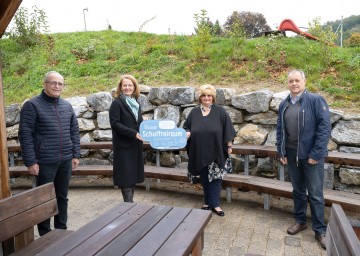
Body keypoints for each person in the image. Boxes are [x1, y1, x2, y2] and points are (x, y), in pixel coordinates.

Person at [18, 71, 81, 236]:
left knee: (62, 196)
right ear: (45, 84)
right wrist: (31, 162)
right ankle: (45, 234)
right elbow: (25, 135)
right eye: (53, 83)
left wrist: (75, 155)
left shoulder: (66, 106)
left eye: (60, 83)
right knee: (44, 198)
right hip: (44, 161)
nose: (57, 86)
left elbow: (74, 131)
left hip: (66, 159)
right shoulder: (32, 105)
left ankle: (61, 230)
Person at [276, 69, 331, 249]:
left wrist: (316, 153)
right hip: (292, 154)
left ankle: (320, 230)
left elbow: (324, 128)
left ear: (304, 81)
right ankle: (300, 221)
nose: (294, 84)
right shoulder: (284, 104)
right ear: (287, 83)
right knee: (298, 190)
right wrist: (281, 151)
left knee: (315, 194)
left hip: (311, 155)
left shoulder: (315, 100)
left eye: (297, 80)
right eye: (291, 81)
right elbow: (279, 130)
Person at [183, 84, 236, 217]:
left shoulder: (220, 112)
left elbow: (228, 129)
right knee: (205, 177)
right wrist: (187, 133)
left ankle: (216, 205)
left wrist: (229, 146)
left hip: (216, 151)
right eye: (203, 95)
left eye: (209, 95)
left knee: (216, 179)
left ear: (213, 97)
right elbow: (187, 127)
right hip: (199, 151)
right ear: (200, 97)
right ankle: (207, 202)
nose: (206, 98)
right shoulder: (194, 112)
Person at [109, 74, 144, 202]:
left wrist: (146, 125)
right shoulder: (116, 104)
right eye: (125, 85)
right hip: (124, 147)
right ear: (120, 87)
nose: (127, 88)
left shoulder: (136, 103)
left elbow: (136, 123)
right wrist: (133, 133)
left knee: (133, 177)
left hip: (135, 146)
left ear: (134, 87)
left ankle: (130, 205)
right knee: (126, 178)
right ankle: (128, 206)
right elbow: (115, 124)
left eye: (130, 85)